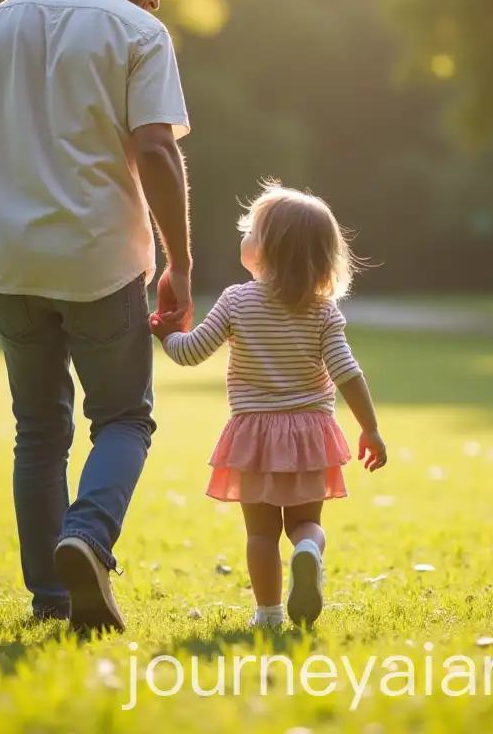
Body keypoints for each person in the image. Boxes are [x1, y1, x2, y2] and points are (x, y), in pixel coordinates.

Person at [0, 0, 193, 632]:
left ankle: (52, 600)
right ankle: (87, 537)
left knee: (39, 431)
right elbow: (155, 148)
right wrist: (180, 263)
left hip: (12, 261)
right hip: (101, 262)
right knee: (124, 419)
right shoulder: (139, 32)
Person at [151, 182, 387, 628]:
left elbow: (191, 352)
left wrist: (166, 332)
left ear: (266, 249)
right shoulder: (322, 311)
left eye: (252, 230)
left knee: (260, 533)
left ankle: (269, 614)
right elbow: (347, 373)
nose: (244, 235)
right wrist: (370, 428)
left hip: (254, 436)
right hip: (310, 434)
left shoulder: (236, 301)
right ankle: (307, 549)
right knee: (305, 522)